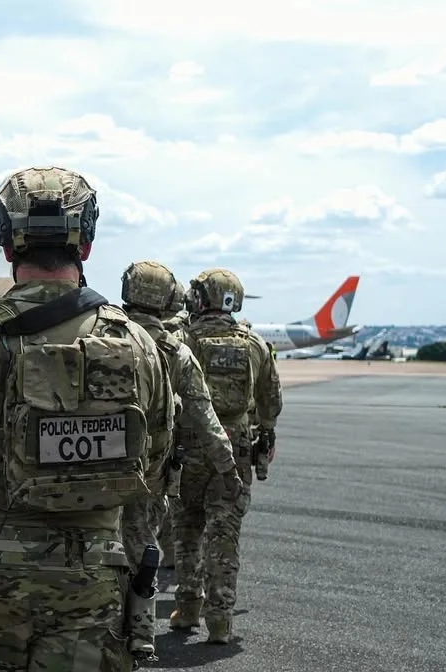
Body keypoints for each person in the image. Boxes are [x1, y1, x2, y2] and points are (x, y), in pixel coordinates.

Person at [0, 167, 175, 671]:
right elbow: (152, 470)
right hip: (94, 582)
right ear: (84, 245)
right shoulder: (138, 347)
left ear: (6, 246)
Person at [172, 268, 282, 644]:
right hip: (235, 449)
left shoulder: (182, 338)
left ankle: (186, 608)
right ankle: (220, 620)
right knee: (224, 534)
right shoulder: (254, 343)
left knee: (186, 529)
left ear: (201, 299)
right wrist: (265, 432)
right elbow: (271, 399)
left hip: (188, 447)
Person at [118, 262, 240, 574]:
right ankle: (138, 619)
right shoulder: (177, 352)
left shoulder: (103, 336)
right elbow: (204, 415)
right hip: (152, 473)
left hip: (102, 467)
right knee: (141, 554)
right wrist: (227, 467)